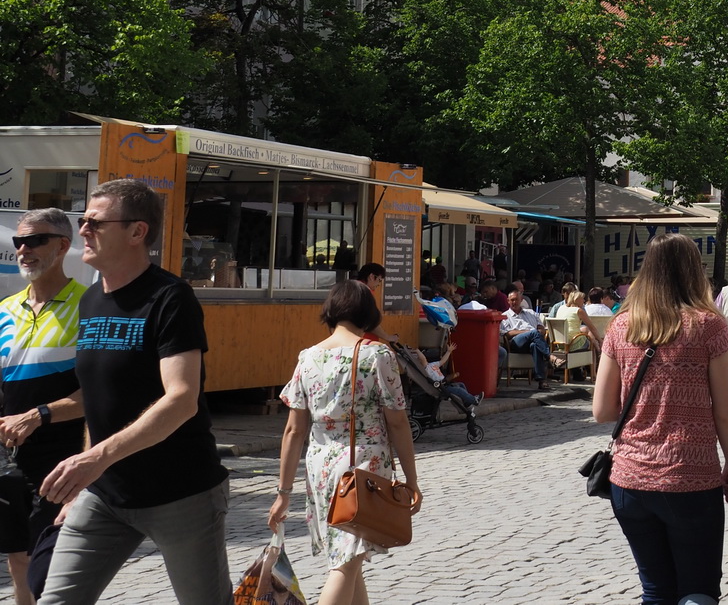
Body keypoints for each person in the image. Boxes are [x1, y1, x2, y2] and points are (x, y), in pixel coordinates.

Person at [36, 179, 231, 605]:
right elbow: (100, 400)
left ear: (137, 232)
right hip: (105, 494)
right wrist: (87, 482)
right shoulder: (90, 300)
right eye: (82, 220)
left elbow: (181, 399)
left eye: (95, 222)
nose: (83, 230)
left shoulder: (170, 298)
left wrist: (94, 459)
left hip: (181, 493)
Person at [595, 234, 728, 605]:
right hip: (690, 476)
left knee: (656, 591)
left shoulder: (621, 326)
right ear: (695, 271)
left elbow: (602, 411)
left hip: (629, 481)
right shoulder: (709, 327)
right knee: (698, 589)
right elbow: (725, 410)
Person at [268, 281, 421, 605]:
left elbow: (294, 431)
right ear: (368, 313)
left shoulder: (307, 358)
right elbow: (397, 420)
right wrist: (412, 479)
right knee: (345, 563)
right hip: (363, 468)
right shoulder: (377, 354)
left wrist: (283, 493)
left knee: (350, 557)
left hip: (321, 468)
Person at [0, 209, 88, 605]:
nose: (24, 249)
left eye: (35, 240)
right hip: (7, 455)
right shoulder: (5, 309)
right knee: (17, 555)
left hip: (61, 454)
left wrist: (39, 415)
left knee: (49, 557)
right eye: (19, 242)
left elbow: (102, 392)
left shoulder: (91, 306)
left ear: (63, 246)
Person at [501, 289, 555, 390]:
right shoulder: (504, 316)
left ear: (521, 300)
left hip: (533, 342)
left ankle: (541, 380)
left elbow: (541, 328)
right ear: (508, 301)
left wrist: (538, 332)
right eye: (512, 300)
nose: (514, 302)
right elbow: (508, 334)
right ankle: (549, 356)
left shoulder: (531, 313)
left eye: (516, 299)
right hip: (516, 343)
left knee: (534, 345)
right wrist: (528, 332)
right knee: (534, 333)